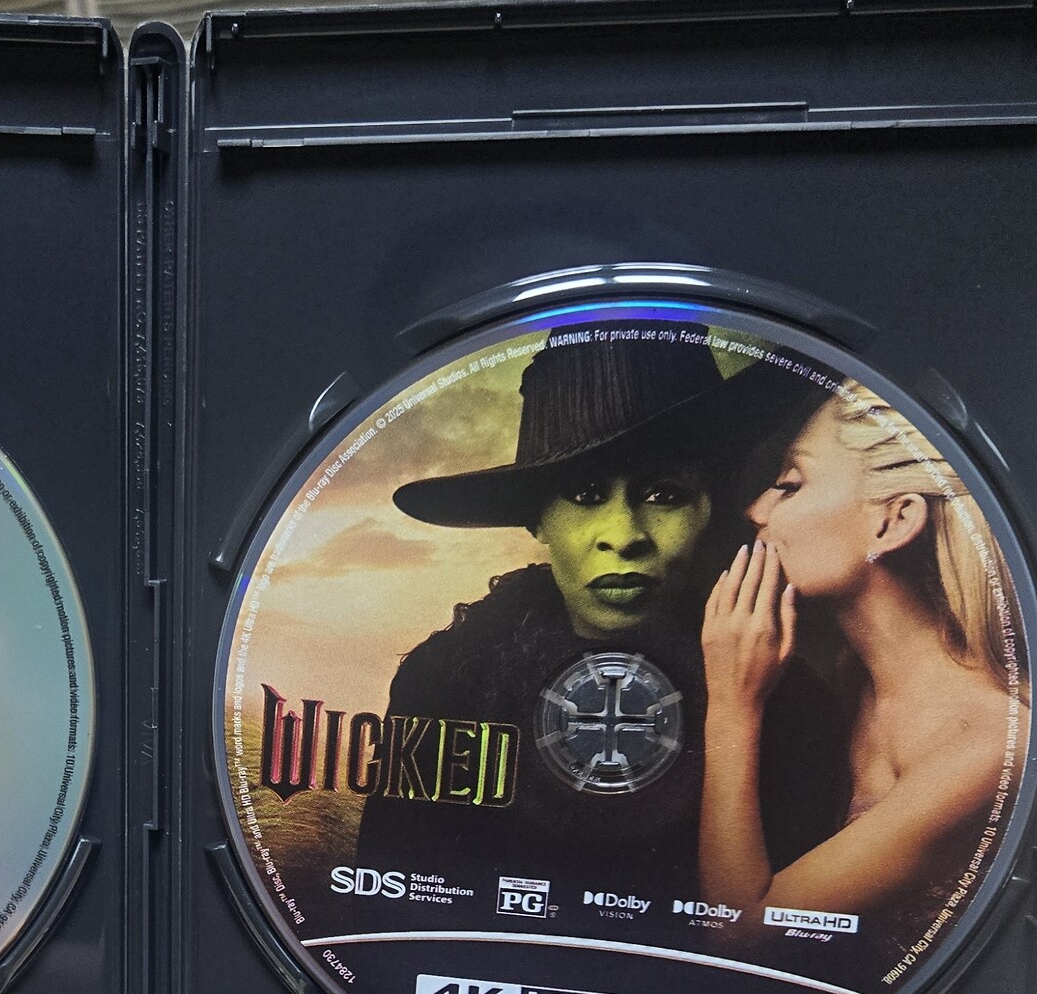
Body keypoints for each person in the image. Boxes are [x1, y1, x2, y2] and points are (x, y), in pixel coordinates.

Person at [354, 327, 847, 895]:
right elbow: (386, 897)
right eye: (585, 495)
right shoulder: (443, 679)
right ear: (537, 517)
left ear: (710, 507)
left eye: (664, 495)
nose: (624, 535)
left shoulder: (792, 703)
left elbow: (781, 931)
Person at [698, 381, 1027, 934]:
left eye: (790, 485)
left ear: (893, 522)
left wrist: (732, 705)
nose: (756, 510)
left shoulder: (987, 741)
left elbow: (740, 931)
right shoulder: (852, 679)